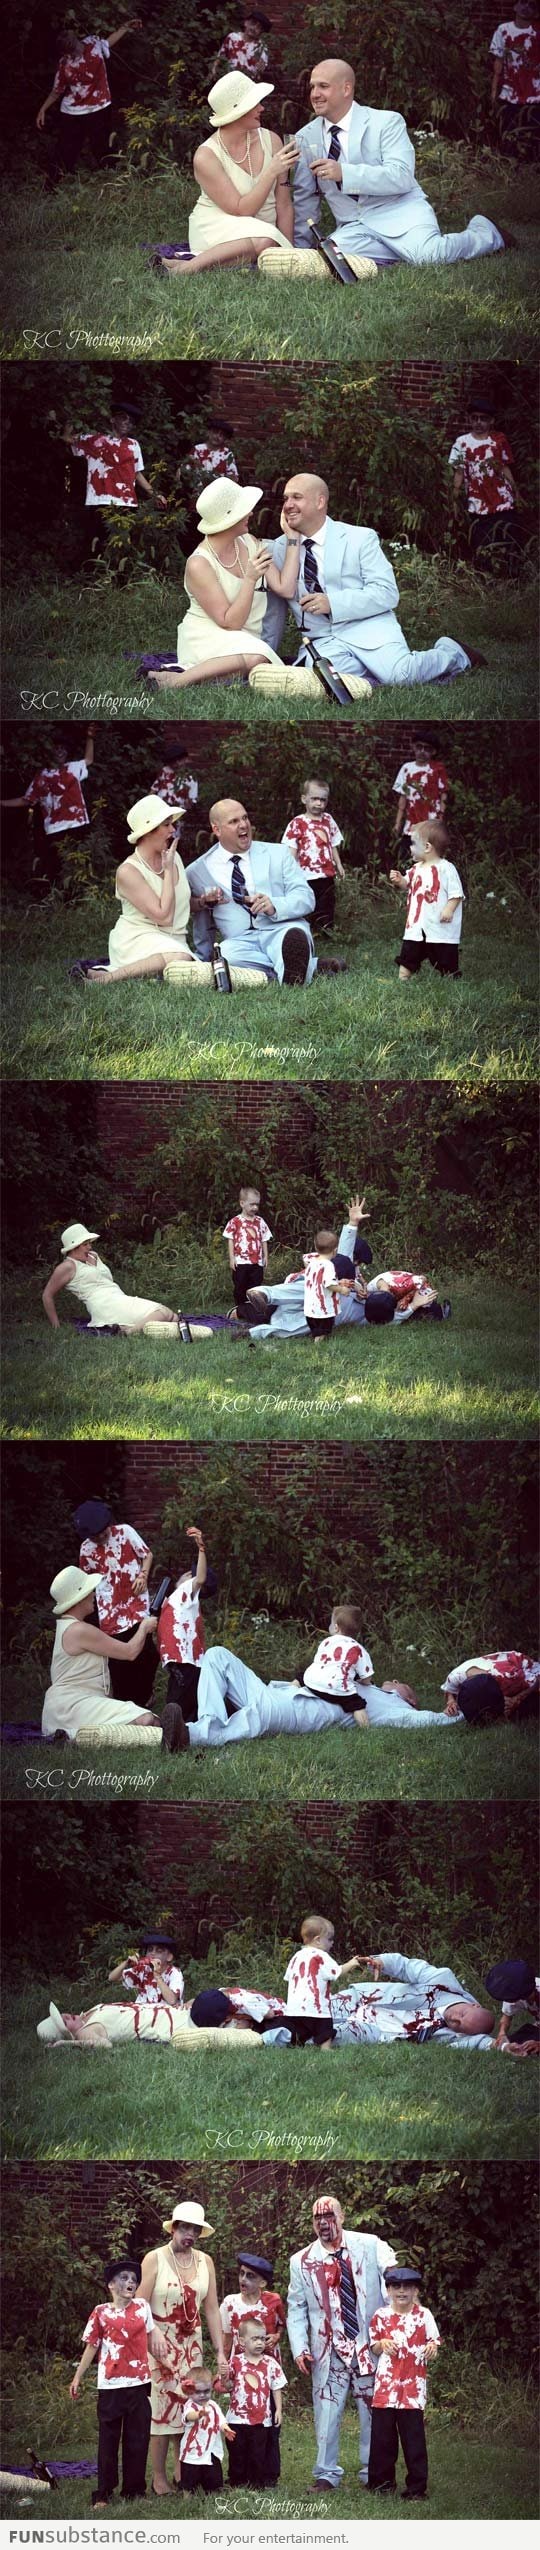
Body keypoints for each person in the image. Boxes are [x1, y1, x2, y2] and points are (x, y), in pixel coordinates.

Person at [269, 475, 485, 691]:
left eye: (297, 497)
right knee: (329, 681)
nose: (288, 505)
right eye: (286, 498)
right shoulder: (280, 548)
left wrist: (333, 603)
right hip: (324, 639)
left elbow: (387, 592)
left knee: (401, 677)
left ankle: (453, 652)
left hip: (368, 627)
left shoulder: (359, 538)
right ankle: (372, 671)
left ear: (320, 501)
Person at [293, 56, 505, 266]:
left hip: (400, 213)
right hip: (355, 227)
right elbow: (305, 197)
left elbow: (401, 176)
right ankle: (405, 251)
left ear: (346, 89)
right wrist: (301, 249)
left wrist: (345, 173)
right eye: (312, 87)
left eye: (323, 86)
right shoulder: (306, 136)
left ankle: (485, 232)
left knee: (431, 256)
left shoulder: (386, 122)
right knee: (327, 259)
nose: (315, 94)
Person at [152, 478, 304, 695]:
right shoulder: (199, 564)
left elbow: (285, 588)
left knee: (260, 661)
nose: (251, 513)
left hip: (241, 636)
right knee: (259, 659)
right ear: (229, 519)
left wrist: (292, 539)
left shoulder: (249, 542)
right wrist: (250, 579)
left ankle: (187, 678)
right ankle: (178, 682)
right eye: (245, 510)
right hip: (208, 634)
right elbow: (230, 623)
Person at [287, 2195, 396, 2491]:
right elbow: (296, 2308)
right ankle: (326, 2474)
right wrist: (301, 2348)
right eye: (317, 2218)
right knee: (326, 2412)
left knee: (372, 2410)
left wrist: (396, 2321)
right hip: (328, 2350)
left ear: (343, 2216)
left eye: (329, 2216)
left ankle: (372, 2472)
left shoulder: (370, 2246)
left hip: (368, 2345)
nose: (323, 2223)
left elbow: (393, 2282)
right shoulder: (301, 2262)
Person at [156, 71, 297, 279]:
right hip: (219, 224)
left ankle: (185, 265)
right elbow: (242, 210)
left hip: (263, 231)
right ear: (238, 112)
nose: (262, 108)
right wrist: (271, 171)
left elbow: (284, 204)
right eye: (255, 104)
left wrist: (290, 254)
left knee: (268, 242)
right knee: (266, 241)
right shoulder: (206, 156)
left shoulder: (272, 141)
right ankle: (185, 272)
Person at [136, 2203, 229, 2496]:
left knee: (188, 2404)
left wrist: (220, 2351)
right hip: (159, 2343)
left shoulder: (205, 2262)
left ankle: (183, 2467)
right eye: (185, 2228)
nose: (190, 2234)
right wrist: (152, 2333)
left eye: (196, 2229)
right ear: (173, 2227)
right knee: (161, 2409)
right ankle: (159, 2476)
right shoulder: (155, 2259)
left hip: (191, 2344)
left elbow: (212, 2309)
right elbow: (138, 2305)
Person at [84, 794, 214, 989]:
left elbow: (178, 904)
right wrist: (169, 871)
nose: (173, 830)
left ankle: (143, 974)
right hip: (137, 938)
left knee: (184, 965)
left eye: (172, 824)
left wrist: (202, 902)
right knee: (181, 958)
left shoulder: (172, 857)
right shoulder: (128, 871)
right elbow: (164, 917)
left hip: (173, 941)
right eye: (166, 825)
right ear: (148, 831)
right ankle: (106, 980)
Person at [186, 796, 317, 987]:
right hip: (240, 942)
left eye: (245, 818)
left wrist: (274, 906)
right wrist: (203, 959)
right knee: (225, 957)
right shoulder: (197, 871)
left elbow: (306, 897)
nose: (243, 825)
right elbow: (203, 920)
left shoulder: (278, 854)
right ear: (217, 830)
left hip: (281, 929)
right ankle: (308, 966)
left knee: (292, 939)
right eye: (234, 821)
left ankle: (290, 969)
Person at [69, 2257, 168, 2510]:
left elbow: (151, 2338)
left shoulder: (142, 2308)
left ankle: (134, 2490)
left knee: (137, 2439)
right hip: (111, 2386)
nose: (130, 2282)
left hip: (139, 2384)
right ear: (111, 2285)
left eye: (134, 2279)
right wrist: (78, 2376)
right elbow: (92, 2345)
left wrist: (167, 2365)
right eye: (124, 2278)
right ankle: (103, 2493)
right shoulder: (101, 2312)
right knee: (108, 2440)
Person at [41, 1564, 163, 1744]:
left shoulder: (69, 1627)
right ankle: (74, 1737)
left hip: (72, 1705)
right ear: (79, 1598)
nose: (93, 1594)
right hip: (70, 1706)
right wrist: (144, 1627)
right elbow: (129, 1652)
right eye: (89, 1591)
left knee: (151, 1721)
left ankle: (74, 1736)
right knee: (146, 1719)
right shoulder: (79, 1630)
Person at [358, 2265, 440, 2501]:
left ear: (415, 2290)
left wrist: (432, 2348)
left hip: (413, 2390)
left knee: (414, 2441)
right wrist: (382, 2343)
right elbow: (373, 2346)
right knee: (382, 2440)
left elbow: (434, 2341)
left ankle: (416, 2489)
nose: (401, 2291)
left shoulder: (424, 2315)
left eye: (407, 2287)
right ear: (389, 2290)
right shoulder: (381, 2316)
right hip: (385, 2388)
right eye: (396, 2286)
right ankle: (381, 2483)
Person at [74, 1493, 158, 1706]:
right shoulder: (86, 1549)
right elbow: (88, 1582)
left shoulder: (126, 1532)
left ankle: (145, 1698)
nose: (102, 1538)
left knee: (147, 1656)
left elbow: (147, 1555)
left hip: (136, 1605)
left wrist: (143, 1575)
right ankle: (125, 1704)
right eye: (96, 1536)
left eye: (103, 1533)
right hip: (109, 1611)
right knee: (119, 1662)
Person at [41, 1221, 190, 1336]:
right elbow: (47, 1295)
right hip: (103, 1304)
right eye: (85, 1245)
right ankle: (127, 1333)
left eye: (89, 1244)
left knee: (175, 1318)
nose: (89, 1248)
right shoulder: (67, 1267)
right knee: (163, 1313)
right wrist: (56, 1326)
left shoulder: (93, 1256)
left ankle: (132, 1328)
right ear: (73, 1248)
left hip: (117, 1298)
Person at [62, 403, 166, 562]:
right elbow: (67, 438)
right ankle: (94, 580)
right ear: (112, 419)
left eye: (131, 421)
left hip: (126, 502)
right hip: (99, 500)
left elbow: (137, 473)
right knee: (96, 543)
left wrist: (155, 494)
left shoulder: (133, 445)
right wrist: (73, 416)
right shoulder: (95, 440)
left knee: (122, 545)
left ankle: (118, 581)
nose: (127, 422)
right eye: (123, 417)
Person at [36, 18, 141, 172]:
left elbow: (109, 41)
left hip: (99, 107)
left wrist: (125, 27)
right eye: (70, 52)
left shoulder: (94, 44)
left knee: (103, 148)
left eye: (75, 49)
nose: (74, 53)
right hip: (72, 111)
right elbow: (57, 90)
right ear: (65, 52)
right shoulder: (64, 63)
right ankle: (54, 183)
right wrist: (43, 109)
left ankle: (113, 180)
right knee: (66, 151)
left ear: (77, 42)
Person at [334, 1953, 497, 2048]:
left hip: (372, 2030)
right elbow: (405, 1966)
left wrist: (501, 2046)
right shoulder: (443, 1981)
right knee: (312, 2009)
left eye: (459, 2025)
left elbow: (480, 2042)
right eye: (462, 2014)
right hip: (364, 2000)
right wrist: (381, 1962)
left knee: (324, 2034)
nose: (454, 2019)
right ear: (474, 2005)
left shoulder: (453, 2035)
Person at [1, 727, 94, 890]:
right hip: (55, 829)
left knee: (81, 862)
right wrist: (2, 803)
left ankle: (81, 895)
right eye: (56, 749)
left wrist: (90, 738)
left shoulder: (73, 768)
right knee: (58, 865)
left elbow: (89, 760)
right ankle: (59, 898)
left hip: (78, 824)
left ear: (66, 752)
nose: (60, 752)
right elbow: (27, 800)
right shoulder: (42, 776)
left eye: (63, 749)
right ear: (49, 752)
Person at [448, 402, 523, 568]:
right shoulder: (461, 443)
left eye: (483, 419)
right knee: (482, 540)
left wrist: (516, 493)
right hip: (478, 503)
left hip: (502, 500)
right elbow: (459, 472)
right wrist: (455, 498)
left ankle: (510, 575)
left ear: (491, 421)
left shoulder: (498, 440)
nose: (478, 422)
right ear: (469, 419)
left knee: (507, 539)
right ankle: (486, 576)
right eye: (474, 418)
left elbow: (504, 467)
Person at [389, 819, 464, 981]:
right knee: (408, 955)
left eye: (413, 844)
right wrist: (399, 880)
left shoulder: (446, 868)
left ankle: (450, 978)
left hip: (440, 929)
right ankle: (403, 979)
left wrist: (449, 909)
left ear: (428, 847)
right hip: (417, 928)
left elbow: (456, 894)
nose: (410, 847)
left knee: (445, 959)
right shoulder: (416, 868)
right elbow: (406, 884)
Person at [157, 1527, 213, 1721]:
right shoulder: (175, 1598)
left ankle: (176, 1733)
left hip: (185, 1660)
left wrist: (201, 1548)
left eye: (191, 1574)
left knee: (176, 1704)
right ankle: (189, 1728)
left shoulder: (187, 1593)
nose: (187, 1575)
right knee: (187, 1703)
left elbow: (201, 1578)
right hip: (182, 1661)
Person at [284, 1913, 362, 2047]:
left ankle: (296, 2045)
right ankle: (325, 2049)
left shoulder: (297, 1956)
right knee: (324, 2029)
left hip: (294, 2008)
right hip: (316, 2008)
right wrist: (351, 1963)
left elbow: (288, 1977)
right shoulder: (321, 1956)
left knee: (297, 2033)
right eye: (330, 1939)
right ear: (318, 1940)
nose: (332, 1942)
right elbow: (337, 1972)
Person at [226, 2319, 286, 2489]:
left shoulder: (270, 2363)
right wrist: (223, 2376)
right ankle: (236, 2480)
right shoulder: (235, 2362)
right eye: (255, 2339)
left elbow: (276, 2388)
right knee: (237, 2451)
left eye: (262, 2338)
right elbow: (227, 2385)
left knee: (258, 2452)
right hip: (237, 2418)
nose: (260, 2342)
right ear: (242, 2341)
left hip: (261, 2419)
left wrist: (278, 2410)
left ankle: (256, 2483)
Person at [282, 779, 345, 934]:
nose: (318, 804)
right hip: (305, 875)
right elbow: (291, 850)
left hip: (326, 873)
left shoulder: (328, 820)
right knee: (307, 903)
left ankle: (326, 930)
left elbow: (333, 845)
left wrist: (339, 864)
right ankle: (306, 930)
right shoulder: (297, 823)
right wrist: (290, 872)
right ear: (304, 799)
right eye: (314, 799)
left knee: (327, 902)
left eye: (322, 800)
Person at [489, 4, 540, 152]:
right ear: (515, 6)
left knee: (533, 141)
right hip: (509, 94)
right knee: (508, 137)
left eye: (531, 4)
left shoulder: (537, 32)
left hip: (535, 97)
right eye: (523, 2)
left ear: (536, 12)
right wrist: (493, 92)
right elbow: (498, 63)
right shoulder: (503, 30)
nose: (526, 8)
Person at [441, 1649, 540, 1722]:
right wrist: (451, 1702)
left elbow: (537, 1680)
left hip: (520, 1666)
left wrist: (517, 1699)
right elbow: (449, 1690)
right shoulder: (455, 1675)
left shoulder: (511, 1677)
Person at [177, 2367, 233, 2493]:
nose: (202, 2395)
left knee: (213, 2477)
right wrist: (198, 2415)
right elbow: (188, 2416)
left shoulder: (213, 2405)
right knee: (190, 2478)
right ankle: (187, 2495)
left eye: (206, 2391)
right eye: (198, 2392)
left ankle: (213, 2491)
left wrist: (226, 2429)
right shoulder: (190, 2405)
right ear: (189, 2391)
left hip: (211, 2449)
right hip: (193, 2450)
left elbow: (220, 2420)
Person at [221, 2255, 286, 2361]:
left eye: (250, 2276)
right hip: (240, 2364)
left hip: (270, 2364)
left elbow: (281, 2324)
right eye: (242, 2273)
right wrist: (223, 2364)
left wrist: (277, 2336)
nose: (243, 2279)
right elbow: (226, 2339)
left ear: (262, 2283)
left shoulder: (274, 2300)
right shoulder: (230, 2303)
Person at [392, 744, 450, 856]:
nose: (422, 752)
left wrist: (441, 819)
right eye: (419, 747)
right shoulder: (406, 768)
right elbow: (403, 798)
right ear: (413, 748)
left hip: (431, 824)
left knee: (430, 860)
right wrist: (397, 824)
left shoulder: (437, 769)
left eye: (427, 748)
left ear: (433, 751)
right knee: (406, 859)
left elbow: (443, 795)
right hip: (411, 825)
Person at [223, 1185, 273, 1311]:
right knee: (240, 1286)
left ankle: (252, 1308)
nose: (255, 1207)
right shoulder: (235, 1222)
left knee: (255, 1287)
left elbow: (264, 1239)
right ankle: (239, 1308)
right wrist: (232, 1258)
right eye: (252, 1204)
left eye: (257, 1204)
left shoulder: (260, 1221)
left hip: (257, 1262)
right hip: (241, 1261)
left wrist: (266, 1257)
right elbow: (231, 1239)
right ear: (242, 1203)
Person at [108, 1934, 185, 2012]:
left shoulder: (175, 1973)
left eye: (159, 1951)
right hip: (142, 2012)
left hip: (164, 2015)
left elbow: (172, 2000)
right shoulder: (143, 1969)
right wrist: (126, 1963)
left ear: (169, 1957)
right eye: (150, 1950)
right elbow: (112, 1978)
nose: (152, 1953)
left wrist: (157, 1976)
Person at [484, 1958, 540, 2050]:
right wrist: (502, 2033)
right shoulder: (515, 1992)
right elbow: (506, 2017)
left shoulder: (521, 1990)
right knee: (517, 2041)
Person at [364, 1270, 451, 1322]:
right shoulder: (370, 1288)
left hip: (418, 1290)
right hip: (397, 1295)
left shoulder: (399, 1285)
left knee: (409, 1310)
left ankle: (439, 1311)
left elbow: (422, 1279)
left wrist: (407, 1299)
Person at [211, 13, 272, 81]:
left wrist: (260, 68)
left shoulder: (261, 47)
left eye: (259, 27)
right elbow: (220, 56)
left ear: (261, 32)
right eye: (253, 23)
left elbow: (260, 71)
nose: (254, 28)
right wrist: (214, 69)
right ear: (246, 22)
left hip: (248, 82)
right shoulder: (232, 37)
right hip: (229, 79)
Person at [303, 1232, 342, 1336]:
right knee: (324, 1330)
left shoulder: (311, 1263)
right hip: (323, 1309)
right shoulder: (328, 1265)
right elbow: (329, 1284)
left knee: (315, 1329)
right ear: (335, 1250)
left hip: (310, 1307)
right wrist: (342, 1289)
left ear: (315, 1247)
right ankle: (318, 1344)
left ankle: (317, 1338)